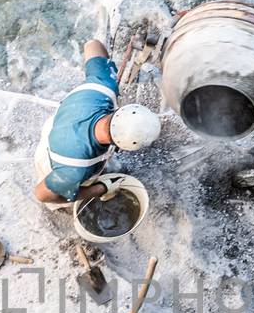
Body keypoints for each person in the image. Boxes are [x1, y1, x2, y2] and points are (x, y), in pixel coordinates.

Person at [32, 38, 160, 206]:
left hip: (62, 121)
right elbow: (41, 194)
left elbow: (91, 44)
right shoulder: (74, 169)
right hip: (54, 159)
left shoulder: (104, 85)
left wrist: (107, 67)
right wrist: (101, 188)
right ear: (122, 146)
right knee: (62, 197)